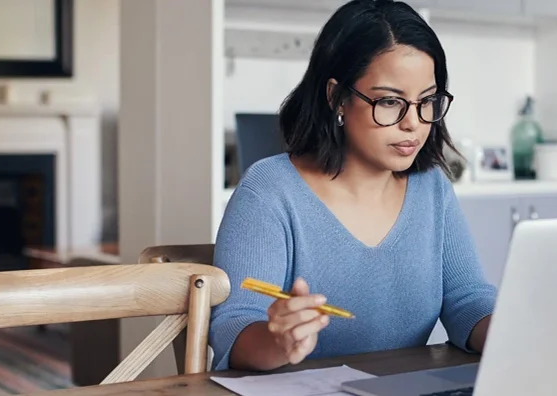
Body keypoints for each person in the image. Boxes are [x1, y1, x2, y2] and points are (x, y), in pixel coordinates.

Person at [210, 0, 498, 372]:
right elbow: (234, 329)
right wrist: (278, 340)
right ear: (336, 97)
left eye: (427, 101)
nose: (413, 123)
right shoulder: (270, 191)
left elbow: (467, 300)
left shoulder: (432, 189)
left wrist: (515, 332)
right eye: (391, 101)